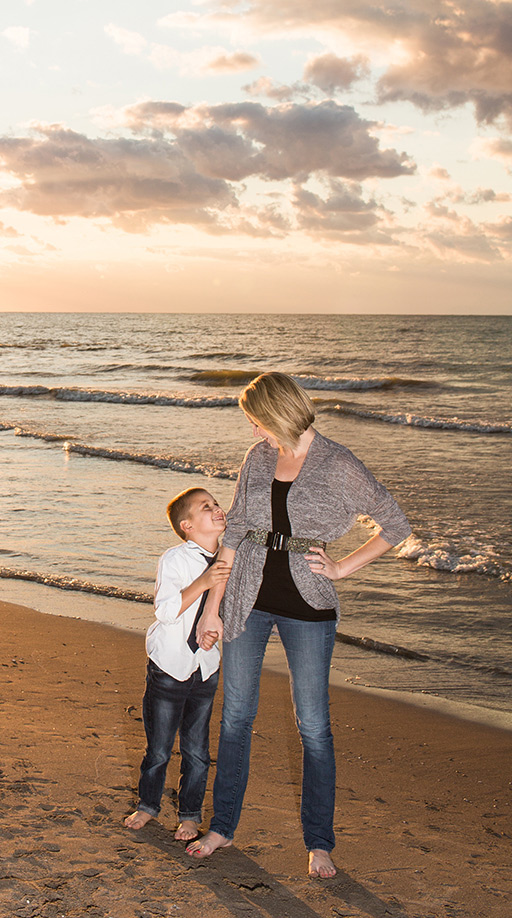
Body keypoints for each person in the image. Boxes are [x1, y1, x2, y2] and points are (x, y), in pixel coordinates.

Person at [186, 372, 411, 879]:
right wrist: (212, 606)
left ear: (277, 414)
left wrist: (342, 568)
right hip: (247, 599)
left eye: (256, 422)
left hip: (309, 609)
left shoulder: (339, 463)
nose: (252, 433)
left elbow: (395, 524)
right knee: (236, 717)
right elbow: (237, 532)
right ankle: (222, 826)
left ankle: (319, 843)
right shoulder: (259, 459)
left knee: (313, 725)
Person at [124, 487, 229, 841]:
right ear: (187, 525)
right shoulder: (176, 560)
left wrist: (217, 632)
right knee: (159, 747)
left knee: (198, 750)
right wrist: (203, 582)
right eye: (206, 507)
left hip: (206, 666)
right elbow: (166, 610)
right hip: (169, 664)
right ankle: (148, 805)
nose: (217, 509)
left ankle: (190, 814)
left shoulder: (230, 559)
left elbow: (227, 611)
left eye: (216, 504)